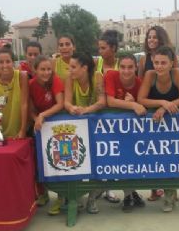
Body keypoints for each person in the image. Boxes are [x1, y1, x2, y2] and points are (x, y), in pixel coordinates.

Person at [137, 46, 179, 212]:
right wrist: (163, 103)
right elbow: (141, 99)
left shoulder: (177, 74)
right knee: (155, 160)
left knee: (173, 159)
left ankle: (169, 195)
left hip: (172, 124)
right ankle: (161, 190)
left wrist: (166, 108)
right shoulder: (150, 75)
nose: (159, 66)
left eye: (163, 63)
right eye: (156, 62)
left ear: (171, 63)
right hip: (155, 124)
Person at [64, 51, 106, 214]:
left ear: (84, 68)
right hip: (78, 129)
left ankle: (92, 198)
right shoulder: (70, 79)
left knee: (98, 165)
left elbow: (102, 102)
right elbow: (67, 101)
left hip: (97, 128)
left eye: (73, 67)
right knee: (77, 163)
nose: (70, 70)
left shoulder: (97, 77)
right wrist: (71, 108)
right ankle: (76, 197)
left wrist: (86, 110)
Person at [104, 53, 147, 212]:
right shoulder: (110, 76)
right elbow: (110, 101)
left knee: (130, 162)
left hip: (132, 132)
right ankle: (128, 194)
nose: (126, 71)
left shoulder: (139, 83)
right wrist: (132, 105)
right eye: (123, 67)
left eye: (130, 67)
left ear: (136, 68)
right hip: (111, 130)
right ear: (118, 67)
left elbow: (144, 105)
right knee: (117, 162)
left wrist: (135, 103)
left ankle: (131, 193)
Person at [28, 55, 65, 209]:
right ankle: (43, 194)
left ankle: (61, 196)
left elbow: (60, 104)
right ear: (35, 70)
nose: (46, 72)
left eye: (49, 69)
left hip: (56, 126)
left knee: (59, 160)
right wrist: (37, 118)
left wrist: (42, 116)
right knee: (39, 162)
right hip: (39, 127)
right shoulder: (30, 84)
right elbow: (30, 109)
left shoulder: (55, 80)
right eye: (42, 69)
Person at [95, 30, 122, 203]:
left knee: (117, 154)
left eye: (103, 48)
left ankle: (117, 189)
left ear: (113, 48)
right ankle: (100, 189)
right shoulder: (96, 64)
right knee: (101, 154)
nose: (100, 51)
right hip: (100, 116)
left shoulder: (123, 64)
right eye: (99, 48)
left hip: (119, 115)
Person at [0, 47, 29, 139]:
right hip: (1, 128)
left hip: (19, 130)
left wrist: (22, 130)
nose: (5, 65)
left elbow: (24, 104)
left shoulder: (22, 76)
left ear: (13, 62)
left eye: (8, 61)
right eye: (1, 62)